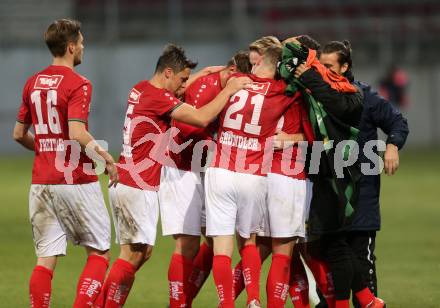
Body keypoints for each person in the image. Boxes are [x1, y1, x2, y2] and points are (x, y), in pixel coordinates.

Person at [95, 44, 251, 307]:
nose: (184, 87)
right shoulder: (159, 99)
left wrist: (200, 74)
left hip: (129, 179)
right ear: (168, 72)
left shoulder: (139, 88)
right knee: (133, 256)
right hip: (138, 185)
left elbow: (175, 89)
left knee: (141, 254)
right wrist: (229, 89)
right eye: (182, 80)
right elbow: (201, 118)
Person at [12, 19, 119, 308]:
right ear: (71, 47)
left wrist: (47, 151)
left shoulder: (32, 82)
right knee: (99, 253)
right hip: (74, 181)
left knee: (45, 260)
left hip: (41, 182)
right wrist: (107, 159)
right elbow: (77, 133)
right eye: (81, 42)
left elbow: (18, 134)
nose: (84, 46)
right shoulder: (79, 83)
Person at [205, 44, 303, 308]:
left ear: (260, 63)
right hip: (251, 173)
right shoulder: (284, 92)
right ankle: (254, 300)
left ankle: (226, 304)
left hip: (219, 170)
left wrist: (212, 72)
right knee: (249, 241)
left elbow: (207, 89)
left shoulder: (236, 81)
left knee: (221, 248)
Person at [158, 50, 252, 307]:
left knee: (215, 244)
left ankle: (186, 300)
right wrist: (217, 141)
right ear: (232, 73)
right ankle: (177, 304)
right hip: (181, 170)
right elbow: (185, 128)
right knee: (187, 243)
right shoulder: (204, 85)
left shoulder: (230, 88)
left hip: (206, 173)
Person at [319, 40, 408, 307]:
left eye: (329, 67)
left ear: (345, 66)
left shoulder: (366, 97)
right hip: (329, 190)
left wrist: (392, 145)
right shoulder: (318, 96)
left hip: (362, 192)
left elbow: (397, 122)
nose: (324, 72)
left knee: (361, 256)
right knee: (333, 256)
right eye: (320, 67)